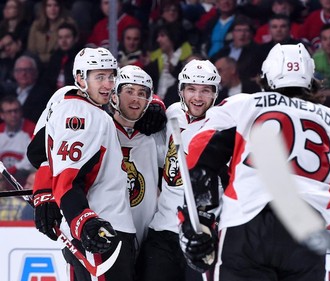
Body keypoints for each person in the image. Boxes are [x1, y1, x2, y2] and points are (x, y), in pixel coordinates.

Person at [179, 43, 330, 281]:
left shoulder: (242, 104)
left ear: (266, 76)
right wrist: (325, 206)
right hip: (306, 230)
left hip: (248, 222)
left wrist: (197, 221)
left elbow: (199, 159)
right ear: (311, 78)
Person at [32, 47, 137, 281]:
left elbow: (39, 153)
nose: (108, 84)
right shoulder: (82, 113)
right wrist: (83, 220)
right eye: (99, 77)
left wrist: (44, 194)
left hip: (97, 227)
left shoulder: (69, 103)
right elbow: (68, 180)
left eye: (111, 76)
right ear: (80, 78)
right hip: (100, 231)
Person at [138, 59, 222, 281]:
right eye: (191, 89)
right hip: (163, 229)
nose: (197, 97)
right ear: (181, 91)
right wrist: (155, 103)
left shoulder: (224, 123)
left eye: (205, 90)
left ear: (215, 94)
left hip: (202, 231)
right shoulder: (173, 113)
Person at [110, 65, 166, 273]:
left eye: (142, 93)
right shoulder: (100, 128)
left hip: (148, 238)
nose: (135, 99)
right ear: (115, 95)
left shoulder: (156, 136)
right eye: (129, 91)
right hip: (106, 235)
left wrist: (160, 105)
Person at [27, 0, 77, 67]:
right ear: (44, 8)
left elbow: (62, 50)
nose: (52, 9)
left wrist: (40, 58)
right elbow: (31, 49)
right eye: (49, 6)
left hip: (59, 63)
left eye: (56, 5)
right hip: (36, 64)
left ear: (60, 8)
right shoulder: (36, 25)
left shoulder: (69, 24)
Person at [0, 95, 35, 184]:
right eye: (9, 112)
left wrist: (9, 171)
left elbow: (30, 161)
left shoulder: (31, 129)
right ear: (2, 115)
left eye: (16, 111)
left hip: (24, 178)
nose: (13, 115)